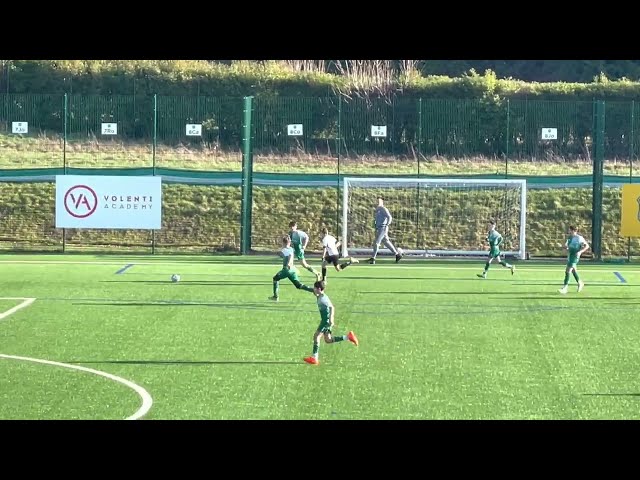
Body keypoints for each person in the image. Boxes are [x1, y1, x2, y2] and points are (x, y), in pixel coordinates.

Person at [303, 280, 359, 365]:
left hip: (325, 321)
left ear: (318, 289)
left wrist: (331, 319)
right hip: (325, 320)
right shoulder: (319, 295)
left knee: (316, 336)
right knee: (328, 340)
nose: (313, 289)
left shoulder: (324, 298)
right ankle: (348, 337)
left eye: (314, 288)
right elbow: (313, 291)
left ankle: (314, 358)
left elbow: (332, 307)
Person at [268, 235, 315, 302]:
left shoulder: (283, 250)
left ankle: (275, 296)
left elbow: (288, 256)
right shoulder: (291, 249)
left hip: (286, 270)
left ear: (283, 243)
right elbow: (289, 254)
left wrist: (288, 262)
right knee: (298, 285)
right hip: (292, 270)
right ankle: (313, 290)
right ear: (289, 242)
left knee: (275, 279)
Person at [368, 196, 402, 264]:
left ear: (382, 202)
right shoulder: (377, 210)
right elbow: (376, 220)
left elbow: (389, 217)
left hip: (382, 228)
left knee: (376, 242)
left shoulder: (383, 209)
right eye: (376, 201)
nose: (376, 203)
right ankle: (397, 254)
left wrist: (387, 225)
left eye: (378, 201)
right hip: (379, 228)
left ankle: (373, 258)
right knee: (386, 242)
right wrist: (374, 226)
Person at [559, 225, 588, 294]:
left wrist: (580, 252)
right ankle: (580, 283)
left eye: (570, 230)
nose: (569, 231)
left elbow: (587, 246)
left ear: (574, 231)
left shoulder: (579, 238)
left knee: (568, 270)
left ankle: (565, 287)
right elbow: (567, 247)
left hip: (575, 256)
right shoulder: (569, 238)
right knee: (573, 270)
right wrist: (564, 247)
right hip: (570, 255)